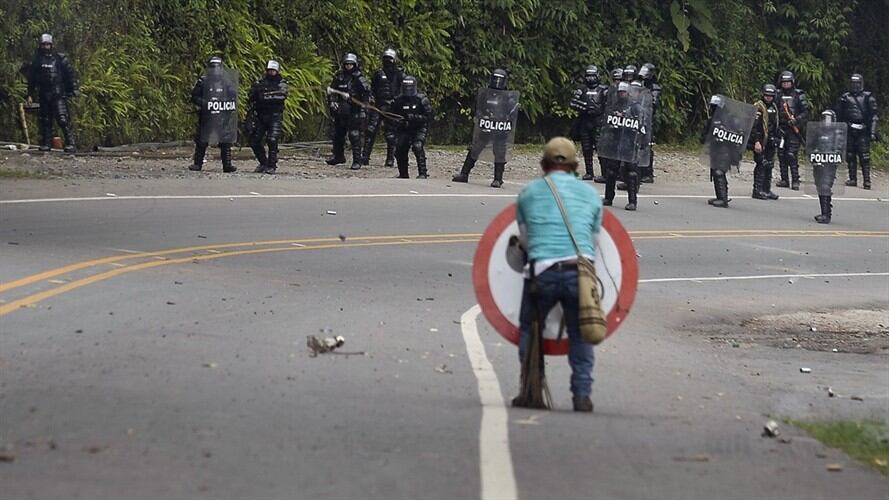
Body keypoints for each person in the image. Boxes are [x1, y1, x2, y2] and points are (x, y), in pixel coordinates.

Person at [514, 137, 603, 413]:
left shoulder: (528, 193)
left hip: (543, 273)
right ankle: (582, 395)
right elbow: (593, 241)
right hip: (579, 273)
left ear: (543, 165)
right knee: (580, 333)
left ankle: (531, 389)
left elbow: (526, 241)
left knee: (530, 327)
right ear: (576, 166)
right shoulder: (590, 195)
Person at [452, 69, 518, 188]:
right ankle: (464, 174)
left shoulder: (508, 97)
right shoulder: (484, 94)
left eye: (500, 80)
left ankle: (498, 179)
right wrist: (483, 116)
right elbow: (478, 109)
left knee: (499, 152)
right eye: (495, 79)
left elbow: (512, 115)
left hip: (500, 129)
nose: (497, 82)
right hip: (486, 126)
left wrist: (506, 119)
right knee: (474, 149)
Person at [27, 33, 79, 153]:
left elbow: (70, 75)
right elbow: (32, 79)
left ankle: (71, 143)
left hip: (58, 94)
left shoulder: (60, 58)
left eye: (48, 44)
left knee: (62, 119)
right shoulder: (37, 60)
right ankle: (46, 143)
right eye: (43, 44)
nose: (46, 47)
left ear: (52, 45)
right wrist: (29, 94)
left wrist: (73, 89)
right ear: (40, 45)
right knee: (45, 120)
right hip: (44, 94)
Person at [189, 56, 238, 172]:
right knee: (202, 140)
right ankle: (198, 164)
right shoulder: (203, 81)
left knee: (225, 140)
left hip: (221, 115)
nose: (215, 70)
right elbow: (194, 96)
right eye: (213, 68)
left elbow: (233, 97)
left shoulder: (226, 82)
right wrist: (205, 103)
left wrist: (225, 106)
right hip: (207, 115)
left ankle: (227, 165)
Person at [601, 82, 644, 211]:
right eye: (619, 92)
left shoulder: (635, 107)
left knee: (631, 172)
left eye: (623, 92)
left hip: (629, 142)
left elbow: (641, 125)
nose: (621, 94)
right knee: (611, 170)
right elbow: (608, 122)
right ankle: (608, 197)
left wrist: (626, 118)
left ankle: (632, 201)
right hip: (616, 141)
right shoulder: (615, 106)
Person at [834, 73, 880, 189]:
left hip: (863, 130)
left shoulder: (868, 97)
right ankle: (853, 178)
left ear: (861, 84)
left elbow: (874, 116)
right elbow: (839, 114)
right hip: (849, 129)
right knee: (850, 155)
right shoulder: (845, 97)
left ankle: (867, 181)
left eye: (857, 83)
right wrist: (839, 129)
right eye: (853, 83)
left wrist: (873, 132)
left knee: (864, 156)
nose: (855, 86)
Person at [326, 53, 371, 170]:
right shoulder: (339, 76)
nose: (348, 66)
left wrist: (362, 109)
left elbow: (366, 95)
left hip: (354, 110)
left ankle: (357, 160)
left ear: (355, 65)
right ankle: (338, 156)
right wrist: (332, 102)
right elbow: (332, 91)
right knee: (337, 135)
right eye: (347, 64)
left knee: (354, 135)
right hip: (340, 110)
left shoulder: (359, 78)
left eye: (351, 64)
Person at [362, 48, 404, 166]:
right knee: (370, 130)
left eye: (390, 59)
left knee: (390, 133)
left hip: (391, 106)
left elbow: (403, 90)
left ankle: (390, 159)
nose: (387, 61)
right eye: (385, 59)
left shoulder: (399, 74)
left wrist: (397, 102)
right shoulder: (378, 73)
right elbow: (372, 88)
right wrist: (371, 97)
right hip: (378, 105)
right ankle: (365, 156)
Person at [247, 60, 288, 174]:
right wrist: (256, 95)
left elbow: (281, 96)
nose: (271, 72)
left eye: (273, 70)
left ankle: (272, 165)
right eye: (270, 70)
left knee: (272, 139)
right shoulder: (260, 82)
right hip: (260, 115)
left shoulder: (282, 82)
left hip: (275, 115)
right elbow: (251, 96)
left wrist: (265, 96)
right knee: (254, 140)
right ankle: (263, 162)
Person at [569, 65, 608, 181]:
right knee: (586, 148)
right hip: (585, 122)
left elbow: (609, 104)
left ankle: (604, 173)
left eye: (592, 76)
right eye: (588, 76)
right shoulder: (582, 90)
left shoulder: (603, 90)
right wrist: (584, 107)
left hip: (599, 123)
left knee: (601, 148)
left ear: (597, 76)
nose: (590, 79)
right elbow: (573, 103)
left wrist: (600, 111)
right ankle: (589, 172)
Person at [392, 76, 433, 179]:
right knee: (400, 148)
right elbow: (392, 116)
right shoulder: (398, 100)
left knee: (417, 146)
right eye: (406, 87)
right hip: (404, 128)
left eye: (409, 87)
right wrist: (398, 122)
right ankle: (403, 174)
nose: (407, 90)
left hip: (419, 127)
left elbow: (429, 117)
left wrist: (414, 117)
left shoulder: (422, 100)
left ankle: (422, 173)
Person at [775, 70, 808, 190]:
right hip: (781, 128)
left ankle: (795, 180)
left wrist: (796, 120)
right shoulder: (777, 95)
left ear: (792, 82)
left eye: (788, 82)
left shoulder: (799, 95)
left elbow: (805, 112)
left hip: (794, 129)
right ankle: (784, 179)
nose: (786, 84)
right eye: (784, 82)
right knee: (781, 154)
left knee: (791, 154)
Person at [812, 110, 844, 224]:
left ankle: (826, 215)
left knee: (825, 186)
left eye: (828, 119)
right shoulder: (818, 131)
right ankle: (824, 211)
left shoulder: (837, 133)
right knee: (820, 187)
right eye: (824, 118)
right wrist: (814, 155)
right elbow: (812, 146)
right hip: (818, 162)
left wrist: (831, 157)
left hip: (829, 164)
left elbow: (839, 150)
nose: (826, 121)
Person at [750, 84, 780, 200]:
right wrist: (756, 142)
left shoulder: (774, 107)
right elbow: (754, 126)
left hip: (771, 141)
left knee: (770, 164)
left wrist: (778, 138)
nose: (768, 97)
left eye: (771, 96)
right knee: (761, 164)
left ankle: (767, 189)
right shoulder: (758, 106)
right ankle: (757, 190)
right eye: (766, 95)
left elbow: (776, 124)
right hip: (761, 140)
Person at [701, 95, 731, 207]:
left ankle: (723, 199)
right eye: (713, 106)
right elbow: (704, 135)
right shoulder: (712, 120)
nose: (714, 109)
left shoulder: (729, 120)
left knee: (719, 172)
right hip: (714, 149)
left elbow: (737, 134)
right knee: (715, 172)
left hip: (725, 150)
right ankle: (720, 196)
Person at [638, 63, 661, 183]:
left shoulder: (654, 88)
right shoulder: (640, 86)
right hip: (639, 117)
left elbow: (653, 103)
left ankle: (648, 172)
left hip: (649, 119)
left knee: (647, 145)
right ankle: (640, 170)